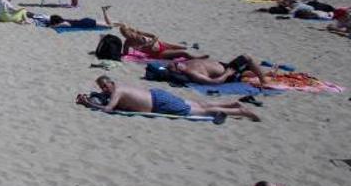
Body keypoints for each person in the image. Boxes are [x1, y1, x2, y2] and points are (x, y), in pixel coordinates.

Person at [75, 76, 260, 121]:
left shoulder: (117, 92)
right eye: (102, 88)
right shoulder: (120, 88)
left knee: (200, 110)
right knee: (199, 104)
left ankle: (240, 111)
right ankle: (232, 103)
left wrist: (88, 103)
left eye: (105, 86)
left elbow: (109, 110)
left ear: (111, 84)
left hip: (159, 102)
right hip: (157, 96)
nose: (104, 90)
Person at [109, 9, 207, 59]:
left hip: (161, 44)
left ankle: (191, 47)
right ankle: (196, 58)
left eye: (127, 33)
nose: (128, 35)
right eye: (125, 34)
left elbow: (155, 36)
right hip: (158, 53)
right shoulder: (128, 43)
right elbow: (125, 54)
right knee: (183, 53)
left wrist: (150, 43)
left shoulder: (139, 33)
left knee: (183, 47)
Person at [170, 55, 269, 85]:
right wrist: (227, 74)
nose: (178, 63)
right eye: (176, 66)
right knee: (247, 58)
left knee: (248, 70)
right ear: (178, 71)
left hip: (225, 65)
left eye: (176, 63)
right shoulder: (192, 73)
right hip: (227, 72)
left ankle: (263, 75)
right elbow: (214, 82)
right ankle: (263, 81)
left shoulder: (186, 63)